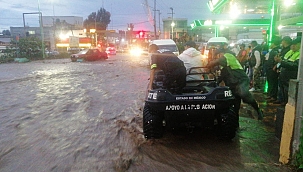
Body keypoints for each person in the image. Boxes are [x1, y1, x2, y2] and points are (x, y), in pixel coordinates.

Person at [206, 48, 264, 121]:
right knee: (235, 104)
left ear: (220, 54)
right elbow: (223, 75)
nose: (217, 58)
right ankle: (236, 122)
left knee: (244, 94)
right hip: (233, 84)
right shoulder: (223, 64)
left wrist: (209, 65)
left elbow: (218, 61)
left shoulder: (228, 56)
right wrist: (215, 82)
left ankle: (258, 110)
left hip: (241, 80)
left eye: (216, 56)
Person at [274, 36, 301, 105]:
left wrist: (281, 62)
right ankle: (282, 101)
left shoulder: (300, 54)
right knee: (282, 89)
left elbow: (295, 65)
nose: (293, 46)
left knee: (288, 93)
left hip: (291, 77)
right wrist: (278, 66)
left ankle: (286, 104)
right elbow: (283, 60)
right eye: (292, 44)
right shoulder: (290, 52)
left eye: (295, 44)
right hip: (283, 75)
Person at [272, 36, 292, 105]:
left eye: (282, 41)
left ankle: (284, 100)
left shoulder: (288, 50)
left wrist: (278, 66)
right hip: (282, 69)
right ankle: (280, 99)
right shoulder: (284, 50)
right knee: (280, 85)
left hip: (287, 72)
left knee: (285, 87)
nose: (281, 42)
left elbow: (284, 61)